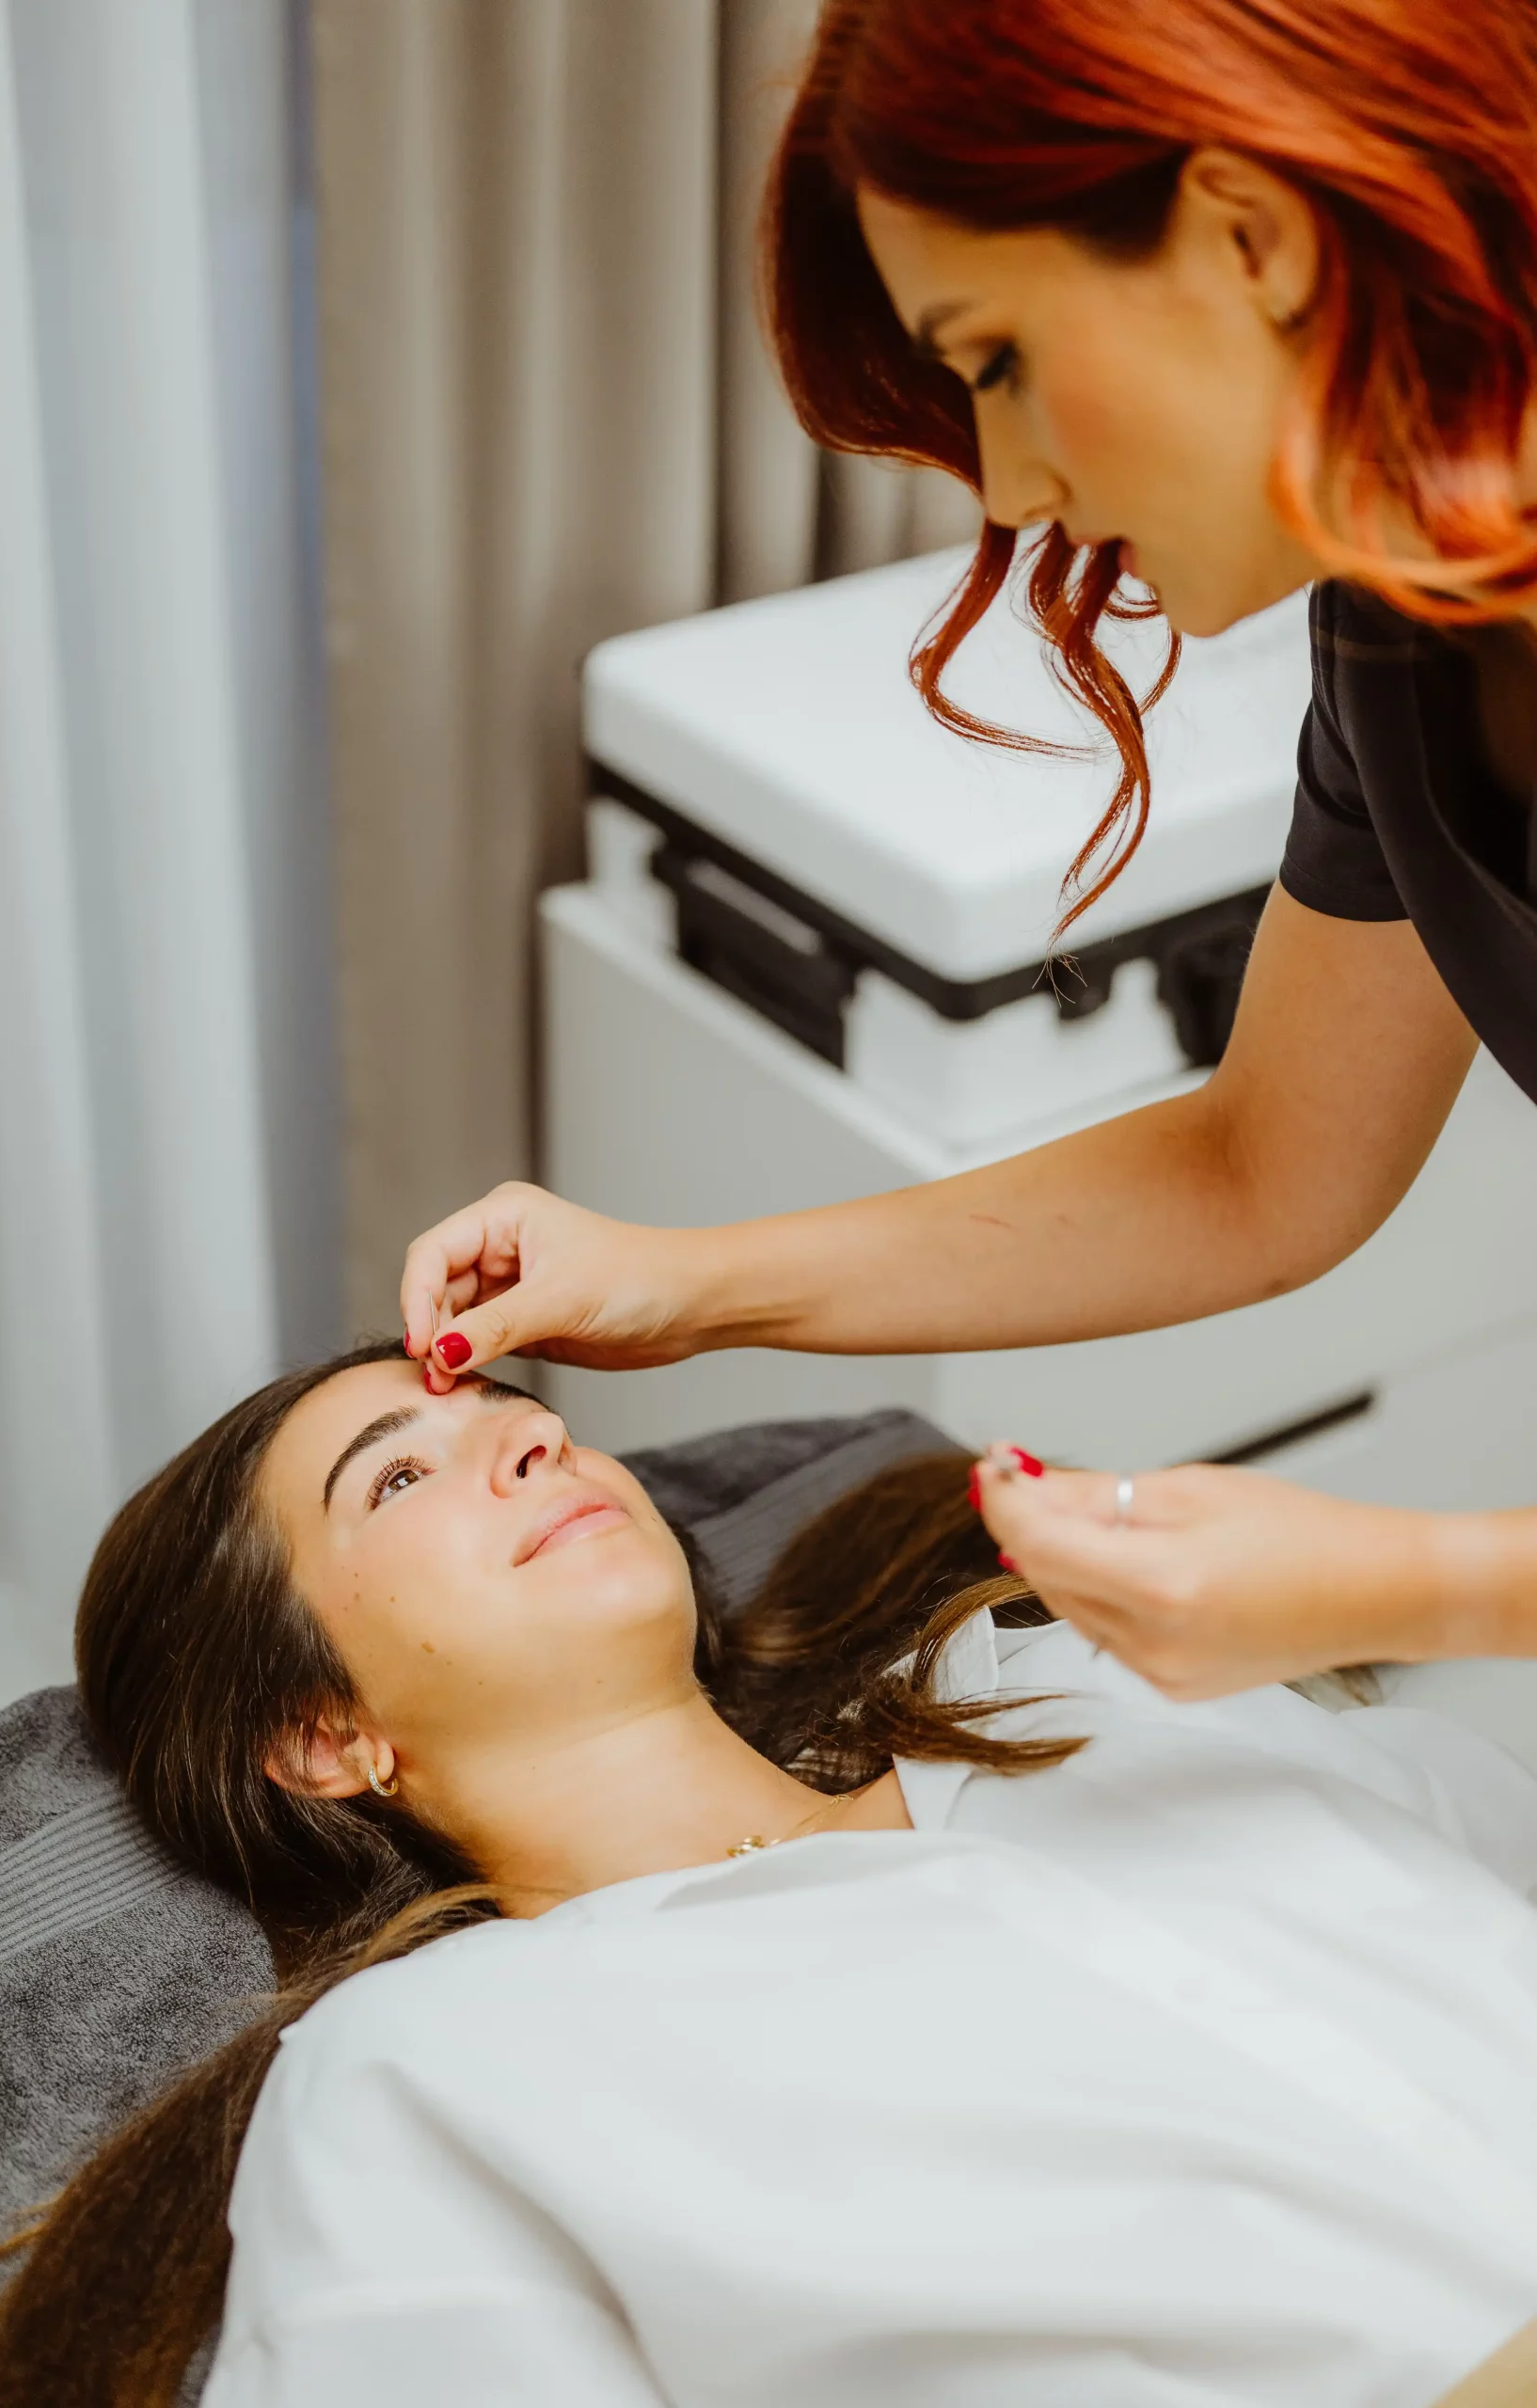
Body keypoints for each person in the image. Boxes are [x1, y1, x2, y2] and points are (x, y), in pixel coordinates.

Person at [399, 0, 1537, 1706]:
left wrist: (1410, 1586)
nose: (1008, 489)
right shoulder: (1398, 640)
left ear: (1252, 235)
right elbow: (1259, 1169)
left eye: (994, 357)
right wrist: (679, 1284)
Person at [0, 1343, 1537, 2407]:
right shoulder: (423, 2072)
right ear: (322, 1736)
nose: (528, 1432)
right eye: (398, 1477)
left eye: (511, 1409)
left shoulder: (1079, 1679)